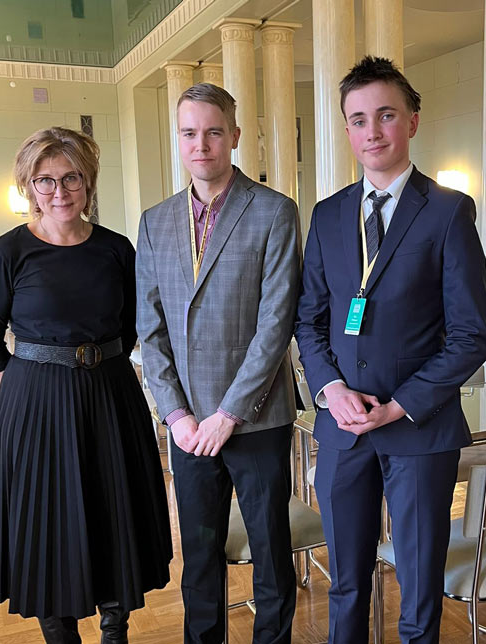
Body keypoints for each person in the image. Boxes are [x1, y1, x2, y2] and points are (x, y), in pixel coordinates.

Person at [295, 56, 486, 644]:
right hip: (342, 428)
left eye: (385, 115)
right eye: (358, 120)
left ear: (412, 121)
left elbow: (471, 335)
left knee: (419, 585)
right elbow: (309, 320)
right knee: (346, 583)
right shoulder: (328, 214)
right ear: (346, 129)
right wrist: (331, 390)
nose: (372, 131)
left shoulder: (448, 211)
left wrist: (399, 405)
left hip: (418, 430)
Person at [0, 127, 172, 643]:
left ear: (89, 181)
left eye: (71, 177)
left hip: (111, 396)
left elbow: (130, 327)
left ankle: (115, 630)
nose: (59, 191)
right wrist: (28, 391)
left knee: (115, 511)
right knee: (46, 522)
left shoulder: (116, 249)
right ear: (28, 186)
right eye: (45, 180)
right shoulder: (5, 254)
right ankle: (61, 636)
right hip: (35, 403)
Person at [136, 83, 301, 644]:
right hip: (187, 428)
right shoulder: (155, 222)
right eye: (189, 133)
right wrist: (176, 415)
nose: (200, 144)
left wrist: (229, 412)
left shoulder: (274, 211)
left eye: (212, 131)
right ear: (178, 139)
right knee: (201, 555)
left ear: (234, 136)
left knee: (271, 553)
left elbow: (276, 324)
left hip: (256, 420)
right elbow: (151, 328)